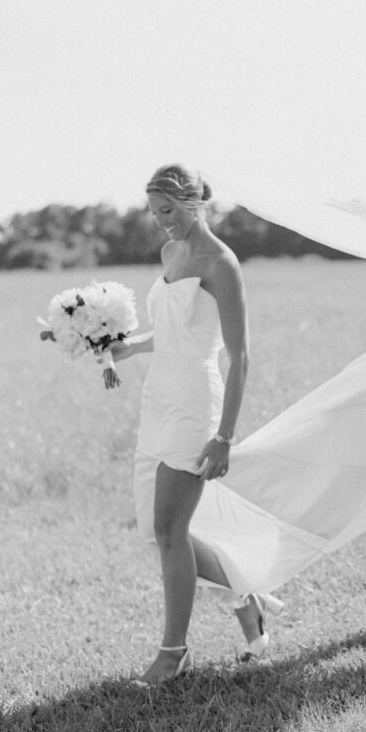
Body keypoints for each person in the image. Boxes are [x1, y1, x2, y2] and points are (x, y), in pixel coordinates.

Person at [111, 164, 283, 685]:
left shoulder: (221, 263)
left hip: (195, 404)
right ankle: (244, 596)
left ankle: (173, 653)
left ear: (196, 201)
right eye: (154, 213)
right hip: (157, 397)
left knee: (170, 529)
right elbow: (166, 332)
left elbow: (240, 356)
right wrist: (121, 347)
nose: (162, 222)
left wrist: (224, 435)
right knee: (157, 529)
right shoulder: (169, 254)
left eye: (169, 210)